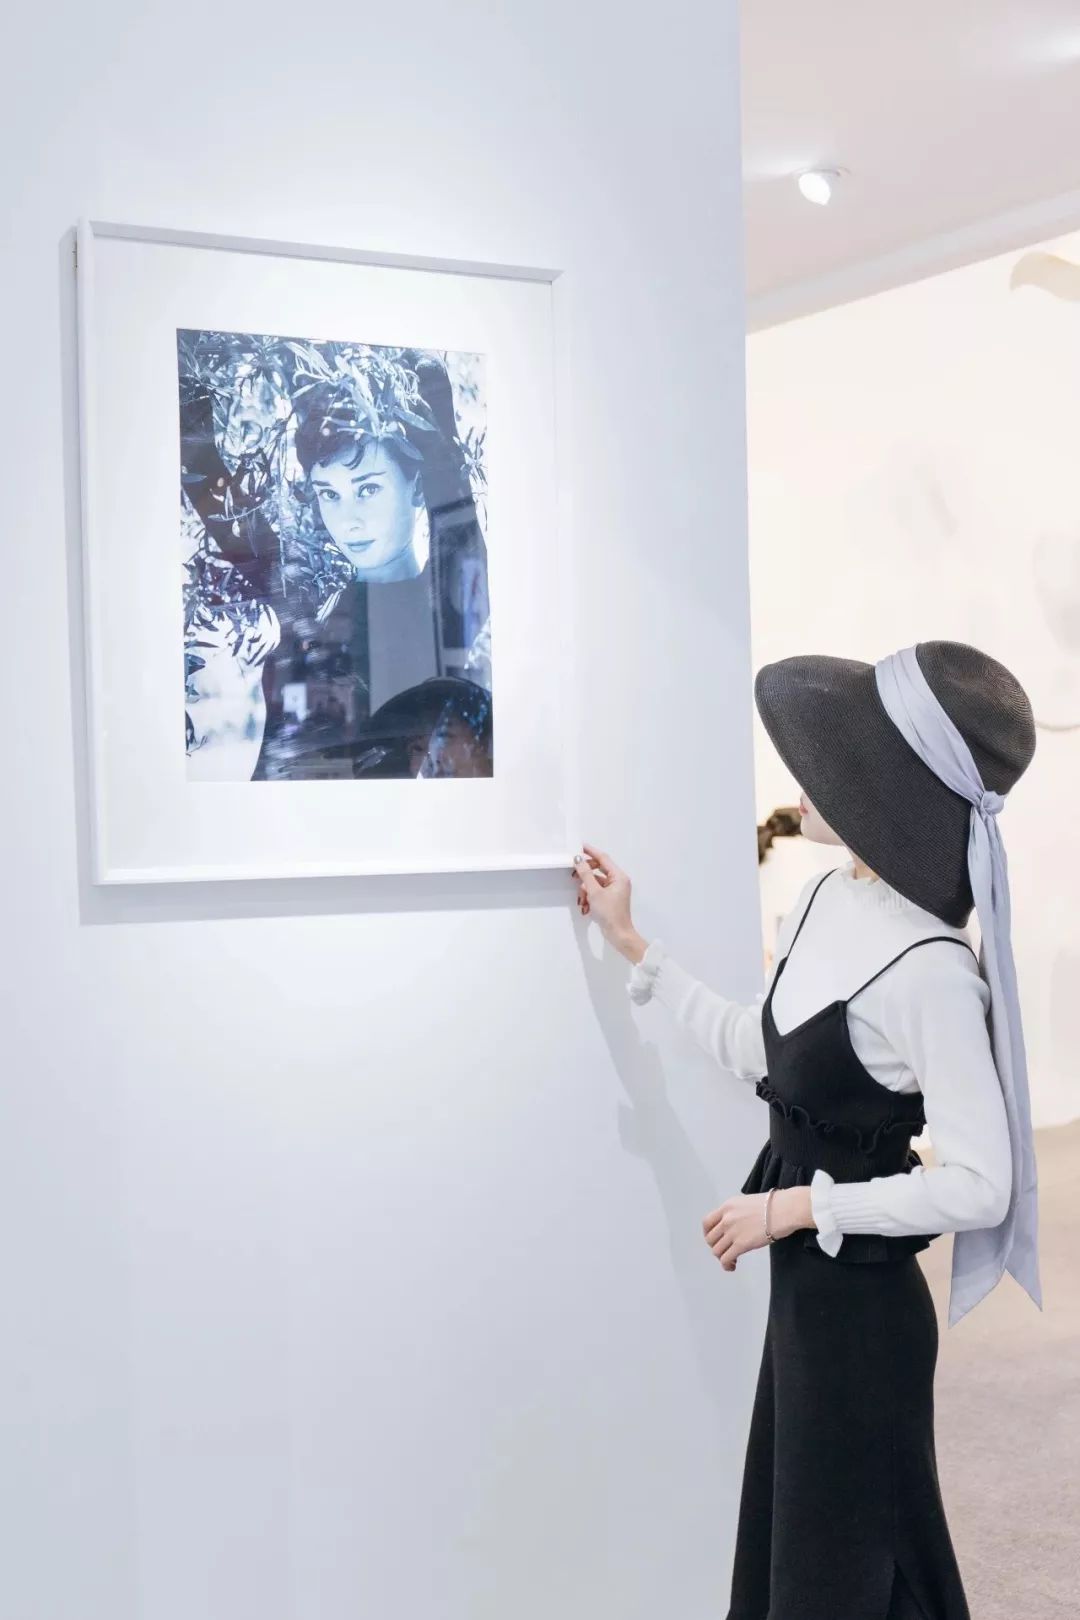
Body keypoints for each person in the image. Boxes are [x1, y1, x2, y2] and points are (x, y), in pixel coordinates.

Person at [570, 640, 1041, 1620]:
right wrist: (634, 945)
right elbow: (764, 1048)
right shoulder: (826, 896)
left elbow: (980, 1184)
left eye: (841, 758)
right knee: (803, 1551)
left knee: (853, 1568)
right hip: (808, 1299)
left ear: (890, 796)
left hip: (864, 1316)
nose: (805, 770)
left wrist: (791, 1209)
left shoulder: (932, 972)